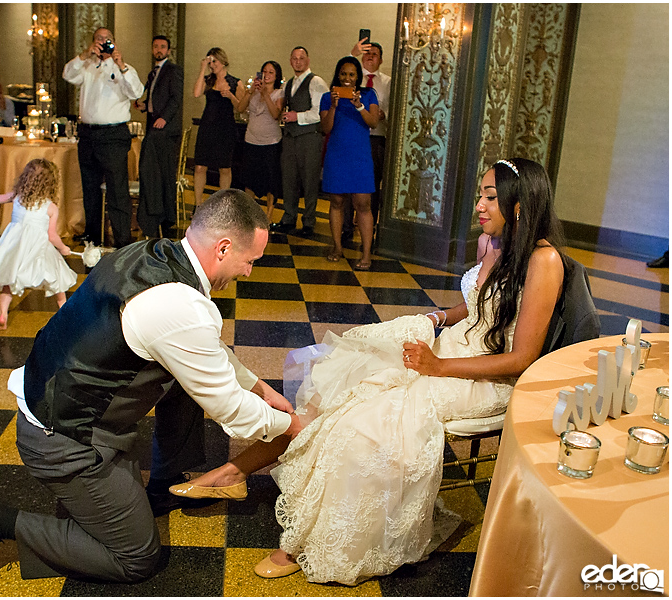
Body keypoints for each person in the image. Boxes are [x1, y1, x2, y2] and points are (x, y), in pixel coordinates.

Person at [170, 158, 566, 586]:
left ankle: (306, 538)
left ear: (520, 204)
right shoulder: (492, 243)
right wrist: (436, 319)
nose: (479, 206)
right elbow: (477, 308)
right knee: (341, 380)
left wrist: (439, 365)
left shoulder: (544, 261)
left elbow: (522, 357)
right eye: (481, 195)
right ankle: (237, 473)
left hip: (488, 376)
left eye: (490, 197)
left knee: (364, 422)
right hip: (456, 347)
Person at [0, 189, 303, 592]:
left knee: (186, 381)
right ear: (223, 248)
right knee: (137, 557)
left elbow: (202, 349)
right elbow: (231, 410)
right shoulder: (179, 305)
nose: (249, 272)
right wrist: (291, 425)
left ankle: (163, 483)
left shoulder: (152, 252)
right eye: (249, 261)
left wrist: (257, 386)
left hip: (59, 398)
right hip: (63, 438)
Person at [63, 27, 144, 248]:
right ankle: (93, 235)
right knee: (89, 187)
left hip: (113, 136)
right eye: (99, 39)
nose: (103, 43)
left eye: (107, 40)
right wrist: (83, 55)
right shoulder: (86, 67)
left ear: (114, 43)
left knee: (117, 189)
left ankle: (122, 239)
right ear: (93, 43)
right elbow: (67, 74)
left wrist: (121, 65)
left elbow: (136, 92)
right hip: (88, 134)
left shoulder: (124, 69)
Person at [0, 158, 76, 331]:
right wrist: (63, 248)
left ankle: (3, 314)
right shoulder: (50, 207)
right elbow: (52, 235)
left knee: (7, 282)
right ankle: (65, 313)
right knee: (57, 279)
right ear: (51, 183)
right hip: (38, 247)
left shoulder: (17, 197)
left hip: (14, 247)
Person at [319, 56, 379, 271]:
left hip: (360, 156)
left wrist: (359, 106)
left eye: (351, 74)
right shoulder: (327, 97)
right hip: (337, 154)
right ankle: (336, 247)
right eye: (343, 74)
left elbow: (373, 122)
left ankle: (366, 253)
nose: (347, 78)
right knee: (336, 201)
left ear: (357, 77)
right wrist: (334, 106)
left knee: (363, 203)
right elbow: (326, 128)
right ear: (338, 74)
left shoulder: (369, 94)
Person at [271, 47, 327, 237]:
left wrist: (298, 116)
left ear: (308, 60)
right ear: (290, 61)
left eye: (301, 58)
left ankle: (309, 222)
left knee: (309, 180)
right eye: (294, 58)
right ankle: (289, 218)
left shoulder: (316, 82)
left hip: (309, 137)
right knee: (289, 179)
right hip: (290, 138)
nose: (298, 62)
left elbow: (320, 112)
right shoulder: (289, 84)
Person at [343, 38, 391, 246]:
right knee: (346, 186)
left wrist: (384, 114)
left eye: (375, 54)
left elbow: (394, 106)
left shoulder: (388, 82)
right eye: (367, 53)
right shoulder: (353, 78)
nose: (370, 56)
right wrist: (352, 54)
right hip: (351, 137)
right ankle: (345, 227)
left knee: (370, 188)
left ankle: (367, 232)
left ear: (380, 60)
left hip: (375, 139)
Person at [135, 35, 183, 238]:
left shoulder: (173, 70)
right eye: (155, 46)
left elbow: (176, 98)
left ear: (169, 51)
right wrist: (145, 106)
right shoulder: (153, 72)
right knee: (155, 172)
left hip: (166, 130)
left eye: (162, 47)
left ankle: (167, 217)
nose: (159, 50)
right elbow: (157, 98)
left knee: (165, 173)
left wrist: (164, 118)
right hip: (154, 127)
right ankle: (155, 211)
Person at [192, 48, 245, 207]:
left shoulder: (235, 82)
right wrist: (202, 69)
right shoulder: (208, 80)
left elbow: (241, 107)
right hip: (207, 126)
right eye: (210, 61)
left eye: (214, 61)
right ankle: (198, 204)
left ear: (222, 61)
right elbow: (196, 93)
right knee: (200, 166)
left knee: (224, 168)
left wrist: (230, 95)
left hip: (225, 128)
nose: (212, 65)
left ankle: (223, 203)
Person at [236, 60, 284, 219]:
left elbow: (276, 114)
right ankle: (250, 214)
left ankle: (268, 215)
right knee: (249, 178)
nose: (267, 75)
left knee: (270, 180)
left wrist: (265, 94)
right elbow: (240, 109)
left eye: (271, 72)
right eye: (264, 71)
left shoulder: (279, 93)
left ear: (276, 76)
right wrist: (250, 92)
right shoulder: (254, 92)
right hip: (251, 140)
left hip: (270, 142)